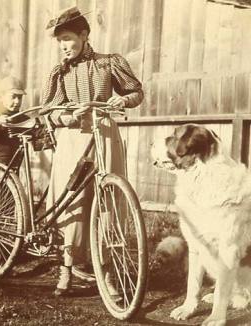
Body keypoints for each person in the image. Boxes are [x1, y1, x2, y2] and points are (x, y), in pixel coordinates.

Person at [42, 6, 144, 296]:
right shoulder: (59, 73)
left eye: (68, 38)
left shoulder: (108, 63)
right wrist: (65, 117)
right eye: (59, 40)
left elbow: (136, 92)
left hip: (104, 135)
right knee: (71, 201)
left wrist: (122, 103)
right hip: (72, 139)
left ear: (84, 35)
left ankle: (107, 274)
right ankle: (66, 271)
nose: (63, 46)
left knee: (108, 202)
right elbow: (49, 112)